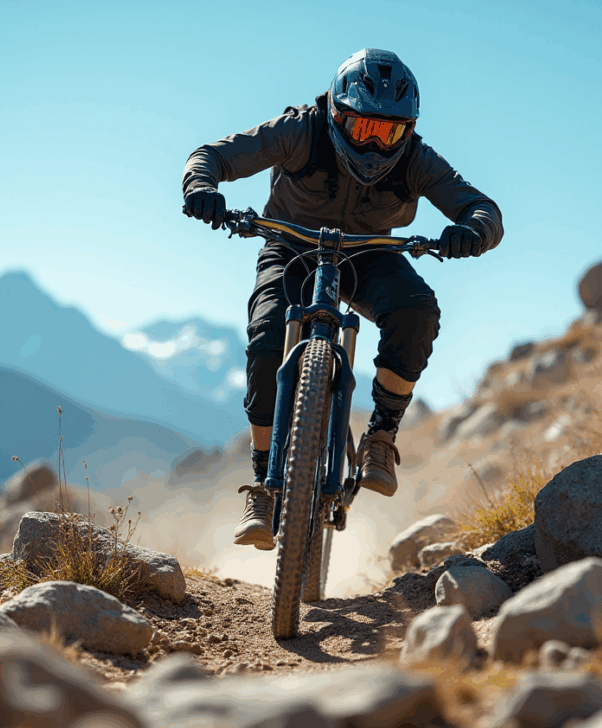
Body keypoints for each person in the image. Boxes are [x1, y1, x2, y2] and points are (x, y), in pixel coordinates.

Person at [182, 48, 503, 551]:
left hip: (369, 253)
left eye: (390, 132)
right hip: (290, 246)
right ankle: (264, 485)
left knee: (416, 308)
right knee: (267, 342)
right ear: (335, 112)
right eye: (364, 128)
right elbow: (212, 156)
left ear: (408, 129)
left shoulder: (417, 158)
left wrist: (473, 231)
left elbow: (481, 207)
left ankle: (381, 438)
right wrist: (202, 185)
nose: (377, 144)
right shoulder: (299, 131)